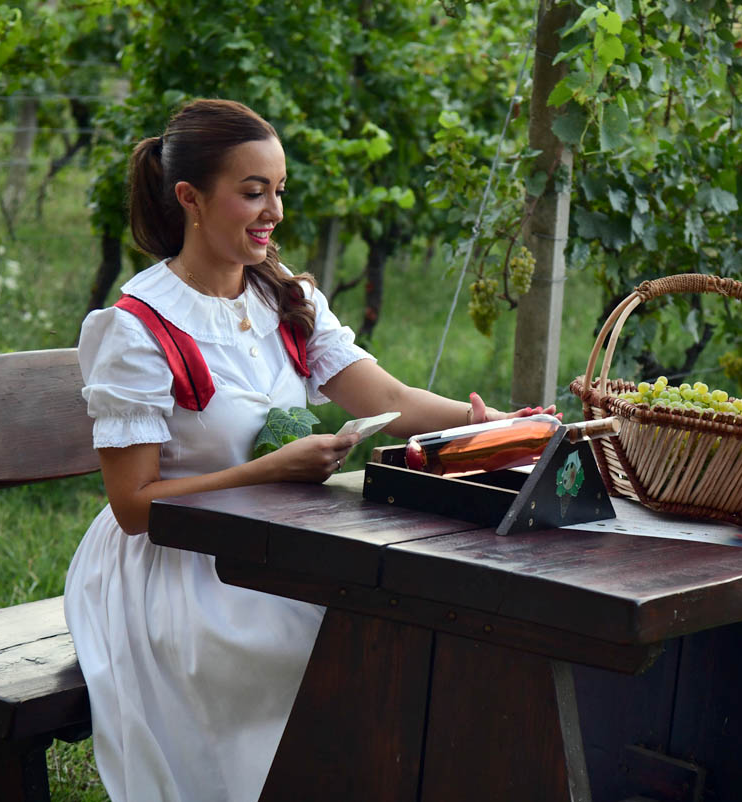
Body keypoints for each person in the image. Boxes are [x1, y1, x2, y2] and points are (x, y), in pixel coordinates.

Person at [64, 98, 555, 802]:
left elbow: (391, 402)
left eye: (280, 191)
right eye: (253, 191)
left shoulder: (283, 298)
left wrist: (504, 426)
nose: (274, 212)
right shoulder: (137, 329)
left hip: (280, 539)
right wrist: (270, 470)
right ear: (190, 198)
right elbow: (134, 508)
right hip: (179, 568)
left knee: (403, 620)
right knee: (327, 646)